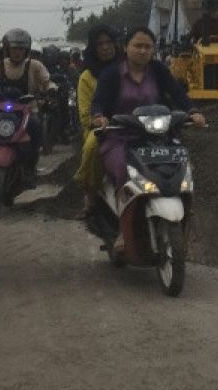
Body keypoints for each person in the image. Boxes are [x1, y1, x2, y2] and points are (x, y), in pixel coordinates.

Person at [91, 26, 206, 249]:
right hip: (120, 137)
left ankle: (188, 217)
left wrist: (193, 112)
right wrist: (99, 118)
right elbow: (98, 103)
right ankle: (122, 232)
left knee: (182, 167)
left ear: (153, 49)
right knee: (123, 171)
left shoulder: (159, 71)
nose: (142, 51)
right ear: (125, 47)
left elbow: (178, 94)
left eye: (147, 47)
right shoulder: (112, 74)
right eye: (137, 46)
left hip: (159, 136)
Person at [0, 28, 54, 188]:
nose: (17, 52)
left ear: (26, 50)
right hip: (0, 110)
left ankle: (30, 168)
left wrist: (51, 88)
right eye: (14, 48)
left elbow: (47, 81)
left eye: (21, 49)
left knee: (36, 126)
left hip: (27, 110)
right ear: (7, 49)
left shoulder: (35, 66)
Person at [72, 25, 119, 216]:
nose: (106, 47)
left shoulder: (130, 68)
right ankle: (90, 195)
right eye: (100, 44)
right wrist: (98, 120)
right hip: (101, 127)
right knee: (92, 146)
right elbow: (85, 115)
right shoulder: (87, 77)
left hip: (133, 123)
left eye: (109, 42)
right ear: (93, 48)